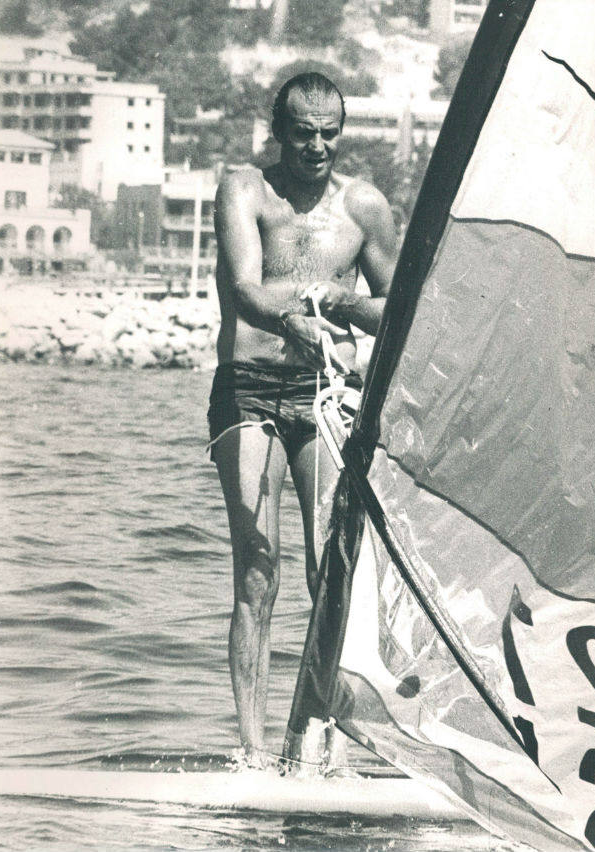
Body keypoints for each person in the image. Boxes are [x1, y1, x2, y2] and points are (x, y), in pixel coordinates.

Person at [209, 72, 397, 769]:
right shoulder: (245, 190)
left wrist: (341, 311)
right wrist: (297, 320)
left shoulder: (365, 207)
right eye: (301, 132)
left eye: (328, 132)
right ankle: (252, 752)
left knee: (333, 570)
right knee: (259, 566)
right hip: (250, 389)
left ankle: (315, 740)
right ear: (278, 130)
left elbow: (397, 305)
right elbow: (245, 290)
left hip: (324, 393)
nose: (316, 146)